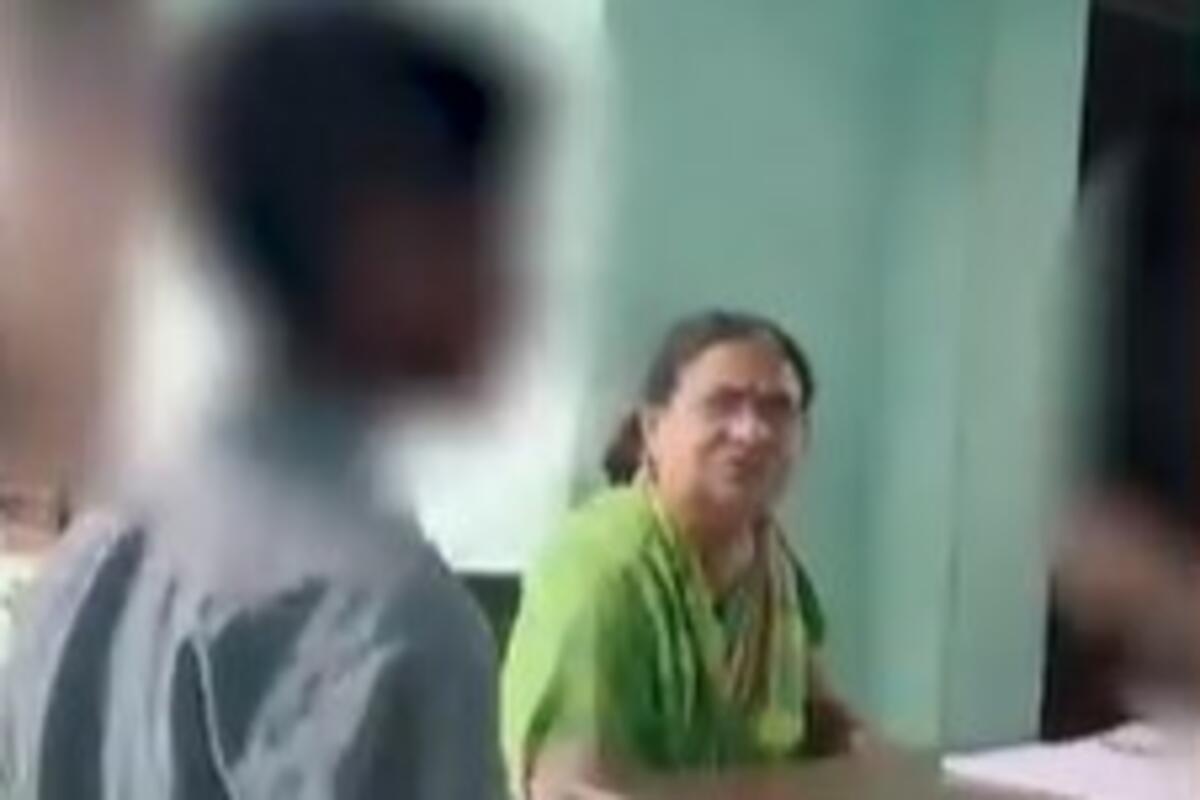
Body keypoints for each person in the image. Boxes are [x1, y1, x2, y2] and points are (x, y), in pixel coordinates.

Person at [0, 6, 526, 798]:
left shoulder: (81, 569)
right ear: (383, 244)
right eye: (477, 228)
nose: (510, 284)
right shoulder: (387, 621)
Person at [502, 310, 861, 799]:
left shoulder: (772, 565)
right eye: (722, 405)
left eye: (777, 409)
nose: (752, 431)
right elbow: (570, 788)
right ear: (653, 428)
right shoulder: (603, 567)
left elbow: (825, 725)